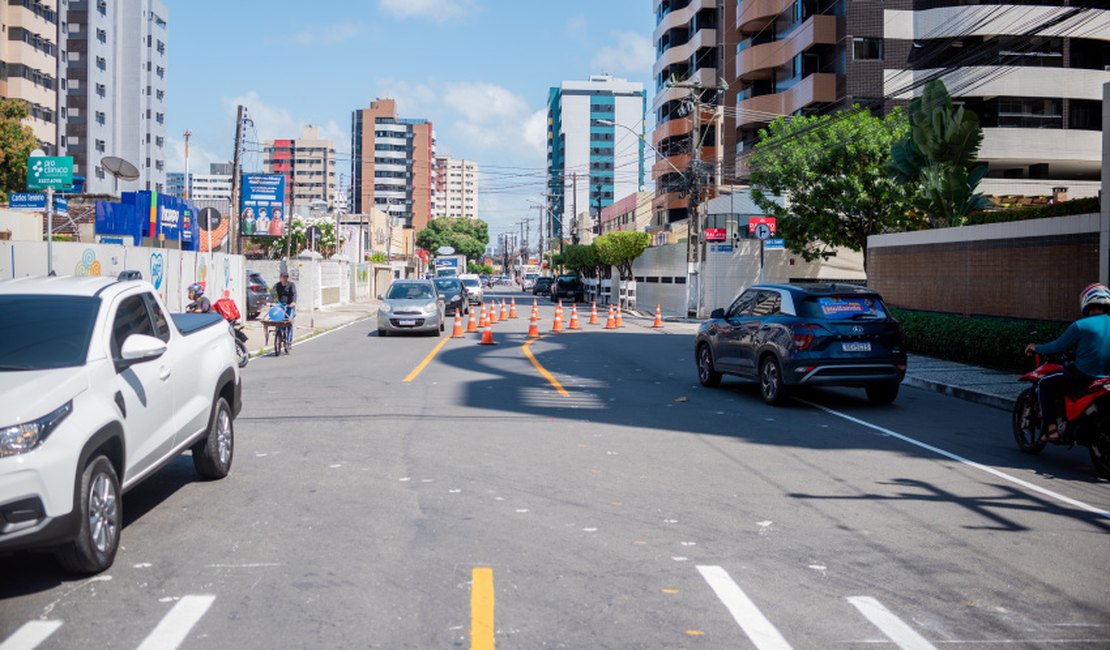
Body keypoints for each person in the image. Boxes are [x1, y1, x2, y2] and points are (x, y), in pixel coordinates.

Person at [1025, 283, 1110, 442]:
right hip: (1105, 378)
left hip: (1083, 377)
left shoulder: (1080, 325)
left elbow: (1057, 346)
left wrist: (1036, 347)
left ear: (1086, 301)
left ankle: (1051, 429)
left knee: (1044, 384)